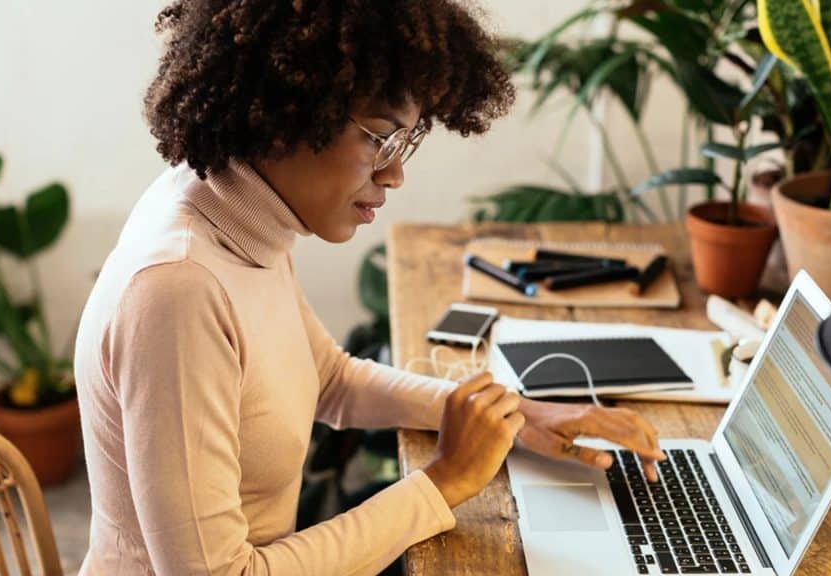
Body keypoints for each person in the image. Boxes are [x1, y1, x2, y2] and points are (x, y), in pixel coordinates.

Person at [73, 1, 666, 574]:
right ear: (288, 111)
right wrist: (443, 481)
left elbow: (329, 378)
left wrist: (513, 415)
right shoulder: (180, 289)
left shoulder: (236, 214)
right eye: (379, 138)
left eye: (405, 142)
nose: (395, 172)